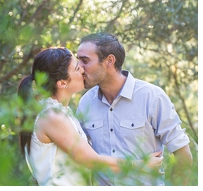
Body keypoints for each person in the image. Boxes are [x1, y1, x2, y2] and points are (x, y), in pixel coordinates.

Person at [17, 47, 163, 186]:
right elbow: (92, 161)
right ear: (62, 83)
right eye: (76, 67)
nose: (82, 69)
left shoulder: (59, 112)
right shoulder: (52, 116)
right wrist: (140, 165)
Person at [75, 33, 193, 185]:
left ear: (109, 61)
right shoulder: (85, 103)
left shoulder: (152, 97)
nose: (80, 68)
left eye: (85, 61)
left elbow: (183, 154)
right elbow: (80, 157)